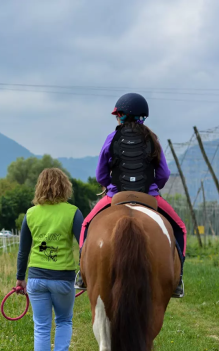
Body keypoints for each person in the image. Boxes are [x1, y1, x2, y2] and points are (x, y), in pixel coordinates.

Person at [75, 92, 187, 298]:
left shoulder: (112, 138)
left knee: (86, 225)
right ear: (142, 116)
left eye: (118, 115)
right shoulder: (153, 139)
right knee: (180, 227)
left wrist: (110, 187)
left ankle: (81, 275)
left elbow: (100, 173)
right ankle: (178, 280)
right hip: (149, 196)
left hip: (115, 195)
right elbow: (163, 174)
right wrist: (154, 189)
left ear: (122, 116)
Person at [16, 168, 84, 351]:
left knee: (42, 327)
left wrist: (20, 279)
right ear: (65, 186)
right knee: (64, 320)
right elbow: (85, 246)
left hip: (36, 279)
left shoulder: (31, 213)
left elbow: (23, 251)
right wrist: (85, 273)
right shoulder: (73, 212)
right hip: (63, 279)